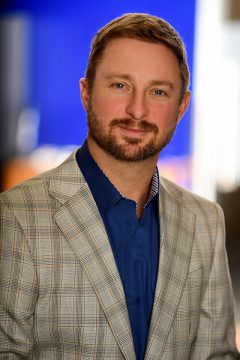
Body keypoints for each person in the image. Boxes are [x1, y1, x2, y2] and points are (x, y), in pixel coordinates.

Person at [0, 13, 238, 360]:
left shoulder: (205, 222)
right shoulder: (15, 217)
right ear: (86, 93)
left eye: (158, 91)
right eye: (120, 85)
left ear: (181, 106)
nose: (137, 110)